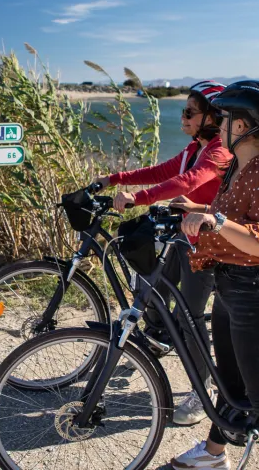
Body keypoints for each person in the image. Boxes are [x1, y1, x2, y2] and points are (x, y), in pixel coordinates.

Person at [170, 80, 259, 470]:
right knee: (232, 389)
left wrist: (217, 221)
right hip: (230, 289)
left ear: (242, 126)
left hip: (255, 295)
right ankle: (214, 455)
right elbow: (227, 215)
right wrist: (193, 208)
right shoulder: (237, 167)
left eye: (225, 118)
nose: (219, 125)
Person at [95, 80, 232, 426]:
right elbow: (161, 172)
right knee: (153, 288)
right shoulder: (194, 148)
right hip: (183, 237)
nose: (183, 117)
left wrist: (138, 198)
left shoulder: (219, 152)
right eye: (183, 111)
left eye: (190, 112)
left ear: (212, 117)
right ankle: (159, 338)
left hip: (207, 245)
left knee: (190, 316)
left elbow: (188, 182)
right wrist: (114, 179)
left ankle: (203, 391)